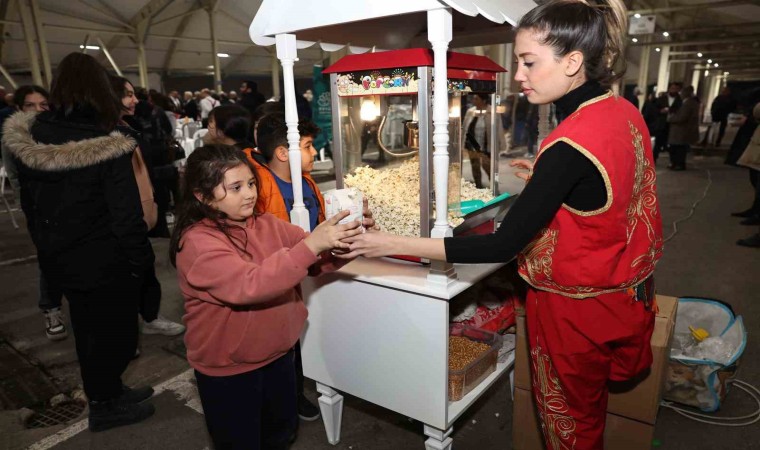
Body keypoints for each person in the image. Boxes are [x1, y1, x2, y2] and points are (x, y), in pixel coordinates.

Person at [339, 1, 662, 449]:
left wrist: (386, 243)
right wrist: (551, 184)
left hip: (577, 310)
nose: (519, 76)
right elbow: (617, 188)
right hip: (628, 292)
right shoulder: (622, 110)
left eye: (530, 62)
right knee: (591, 402)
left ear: (572, 62)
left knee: (570, 421)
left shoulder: (569, 145)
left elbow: (501, 246)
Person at [170, 144, 364, 449]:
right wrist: (312, 245)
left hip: (279, 356)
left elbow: (312, 260)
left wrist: (347, 239)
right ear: (202, 195)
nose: (249, 193)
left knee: (281, 435)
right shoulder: (197, 242)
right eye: (235, 188)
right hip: (230, 369)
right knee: (241, 442)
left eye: (250, 183)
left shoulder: (266, 224)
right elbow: (250, 285)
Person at [2, 52, 155, 432]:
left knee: (88, 331)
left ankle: (109, 391)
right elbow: (125, 214)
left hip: (61, 256)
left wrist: (45, 247)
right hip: (106, 258)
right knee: (116, 334)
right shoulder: (106, 142)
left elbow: (29, 204)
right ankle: (104, 405)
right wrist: (141, 261)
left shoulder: (33, 136)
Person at [242, 113, 331, 421]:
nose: (314, 152)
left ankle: (298, 387)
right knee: (282, 342)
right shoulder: (258, 188)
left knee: (304, 335)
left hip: (310, 271)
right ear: (283, 152)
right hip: (278, 276)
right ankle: (289, 396)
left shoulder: (307, 182)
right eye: (307, 146)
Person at [112, 76, 186, 337]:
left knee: (145, 268)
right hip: (125, 215)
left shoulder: (129, 125)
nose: (134, 100)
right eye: (127, 94)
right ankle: (127, 329)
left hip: (142, 212)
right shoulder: (105, 135)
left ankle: (150, 317)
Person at [0, 85, 67, 341]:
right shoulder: (13, 136)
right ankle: (51, 309)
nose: (38, 110)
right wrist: (28, 206)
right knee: (48, 257)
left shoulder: (57, 131)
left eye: (43, 104)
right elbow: (14, 176)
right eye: (30, 105)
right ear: (19, 108)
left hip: (67, 205)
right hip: (38, 208)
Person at [463, 93, 493, 188]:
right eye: (473, 98)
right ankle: (478, 186)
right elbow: (465, 128)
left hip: (486, 145)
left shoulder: (491, 111)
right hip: (473, 144)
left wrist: (500, 144)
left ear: (483, 100)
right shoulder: (470, 111)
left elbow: (498, 128)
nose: (474, 101)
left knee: (487, 166)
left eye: (476, 99)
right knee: (475, 166)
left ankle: (493, 186)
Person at [667, 85, 700, 171]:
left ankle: (679, 164)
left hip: (681, 130)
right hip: (681, 130)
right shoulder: (687, 103)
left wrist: (670, 118)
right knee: (676, 148)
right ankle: (675, 163)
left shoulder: (688, 104)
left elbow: (682, 117)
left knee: (679, 149)